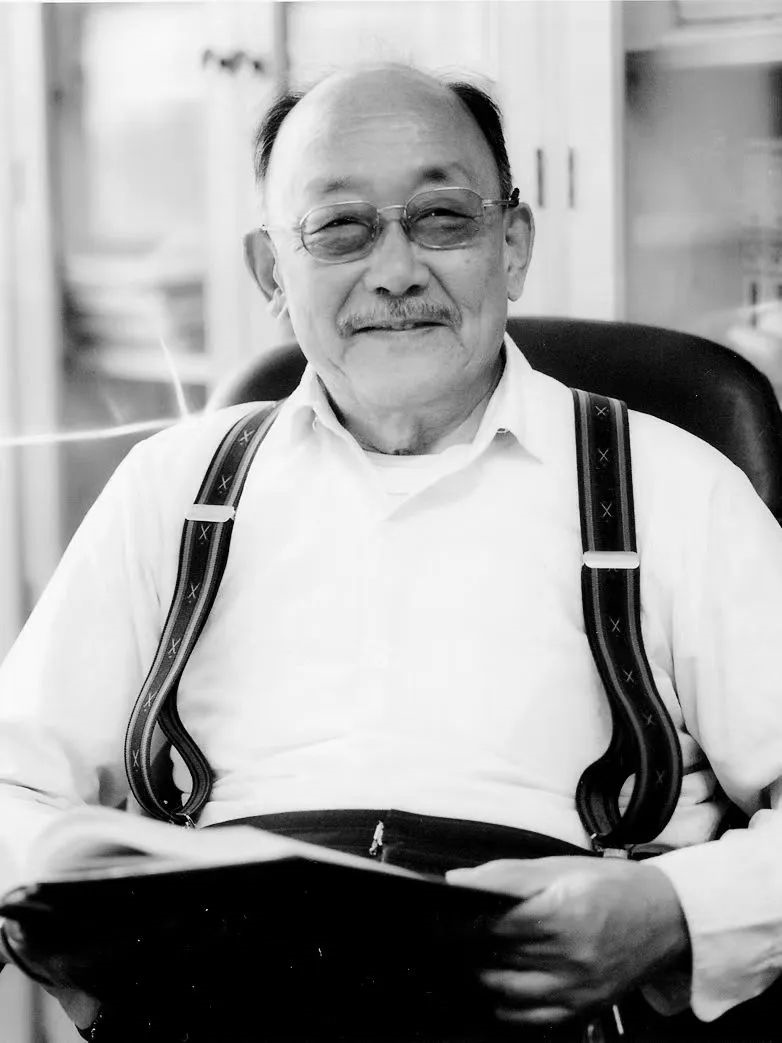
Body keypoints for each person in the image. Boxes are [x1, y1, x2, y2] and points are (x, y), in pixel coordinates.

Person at [0, 62, 781, 1042]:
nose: (396, 271)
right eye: (340, 228)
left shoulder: (672, 483)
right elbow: (12, 782)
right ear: (270, 273)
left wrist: (671, 910)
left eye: (442, 218)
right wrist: (65, 924)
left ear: (513, 243)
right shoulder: (175, 484)